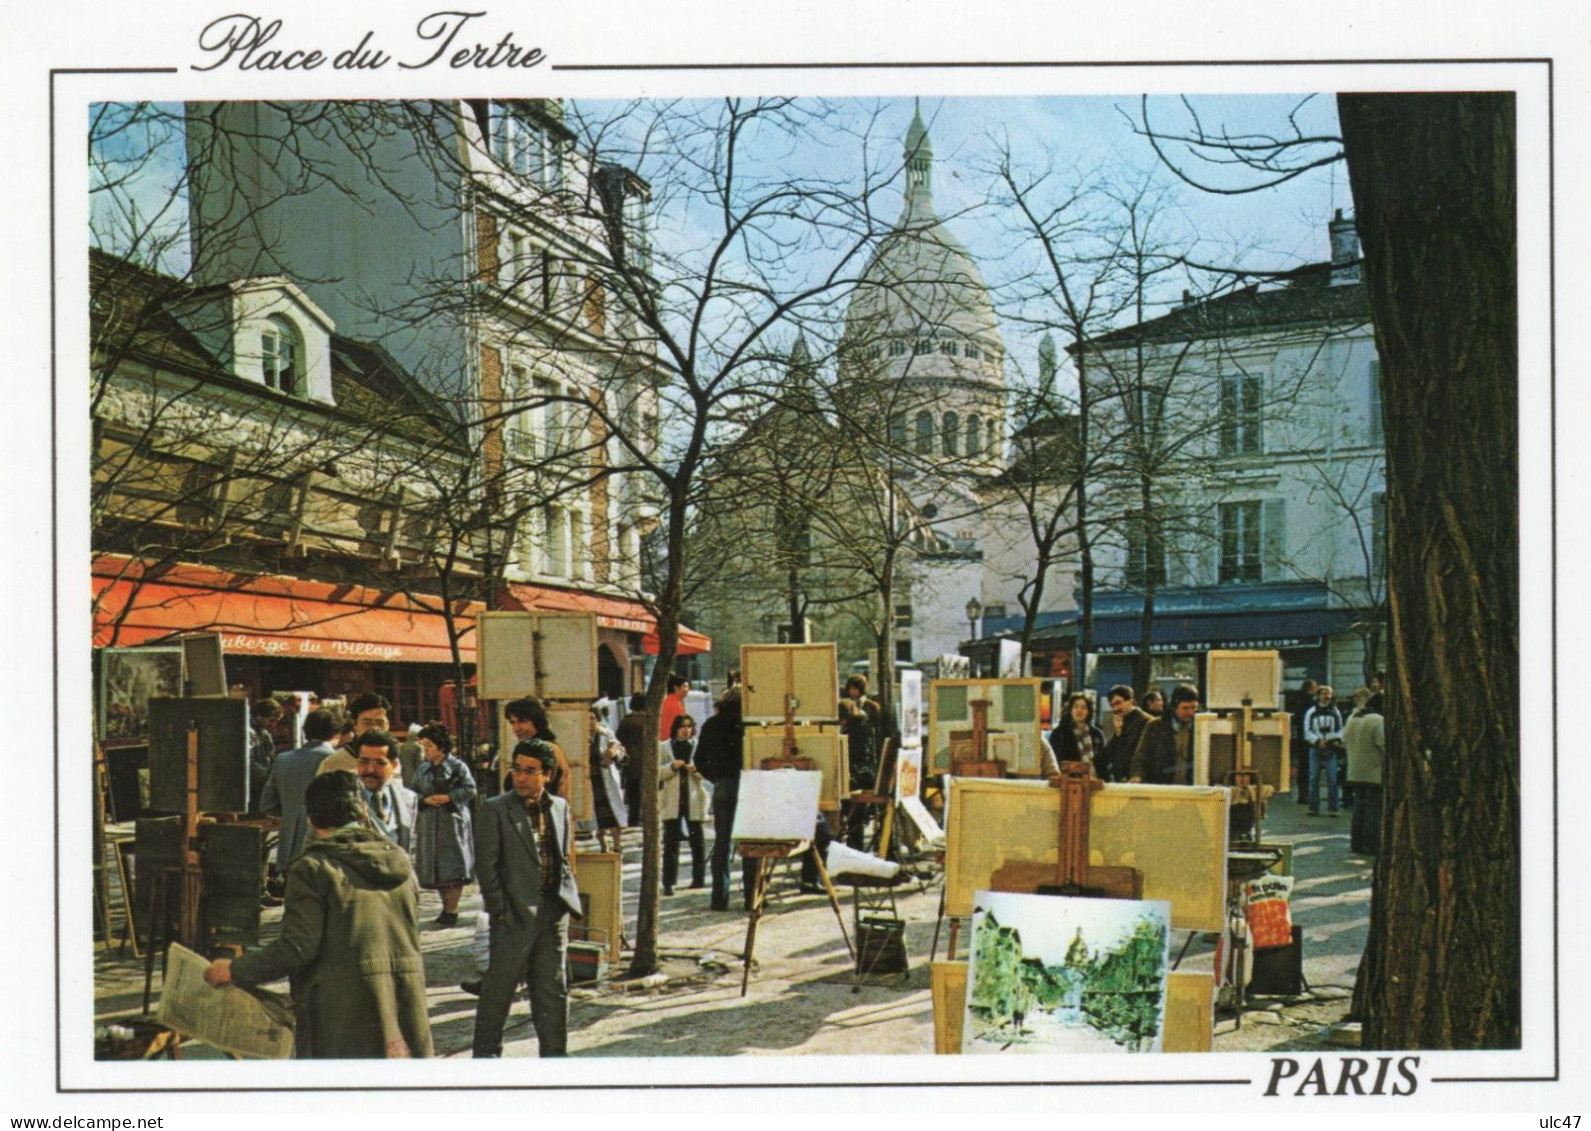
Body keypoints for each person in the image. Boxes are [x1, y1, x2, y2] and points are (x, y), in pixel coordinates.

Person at [204, 771, 433, 1059]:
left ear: (311, 819)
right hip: (403, 1009)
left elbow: (297, 948)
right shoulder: (401, 863)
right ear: (363, 812)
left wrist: (234, 969)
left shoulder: (313, 868)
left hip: (342, 1017)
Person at [472, 740, 583, 1058]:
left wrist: (566, 899)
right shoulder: (495, 809)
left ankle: (554, 1057)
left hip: (553, 911)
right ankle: (485, 1057)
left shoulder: (559, 807)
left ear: (546, 774)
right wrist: (500, 910)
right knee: (499, 990)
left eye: (529, 771)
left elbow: (561, 858)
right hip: (514, 914)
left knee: (552, 989)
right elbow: (486, 867)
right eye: (517, 769)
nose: (520, 777)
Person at [260, 707, 341, 881]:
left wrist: (289, 813)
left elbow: (267, 803)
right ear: (335, 732)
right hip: (330, 848)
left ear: (305, 732)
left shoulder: (283, 760)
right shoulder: (339, 761)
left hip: (291, 847)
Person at [412, 723, 476, 926]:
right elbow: (412, 792)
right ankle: (445, 907)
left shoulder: (457, 767)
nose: (425, 750)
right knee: (436, 867)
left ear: (441, 746)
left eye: (429, 745)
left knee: (453, 864)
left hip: (452, 822)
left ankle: (452, 909)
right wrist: (424, 800)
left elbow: (470, 789)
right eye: (423, 746)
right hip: (429, 823)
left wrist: (449, 797)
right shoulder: (422, 768)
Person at [695, 688, 751, 911]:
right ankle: (751, 896)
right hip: (748, 785)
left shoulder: (711, 724)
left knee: (722, 843)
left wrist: (715, 777)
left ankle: (719, 897)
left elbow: (700, 759)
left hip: (723, 785)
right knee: (749, 843)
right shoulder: (749, 725)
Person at [659, 714, 708, 894]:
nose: (686, 730)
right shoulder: (664, 747)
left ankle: (698, 878)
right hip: (672, 799)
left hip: (693, 797)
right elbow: (656, 773)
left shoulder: (698, 747)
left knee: (698, 841)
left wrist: (696, 770)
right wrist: (672, 767)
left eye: (689, 727)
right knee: (670, 842)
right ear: (676, 728)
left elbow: (707, 772)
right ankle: (669, 882)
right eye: (682, 726)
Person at [354, 729, 419, 851]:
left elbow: (413, 850)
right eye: (364, 761)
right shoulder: (343, 797)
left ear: (394, 765)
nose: (370, 770)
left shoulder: (408, 799)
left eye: (379, 763)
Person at [1129, 684, 1200, 784]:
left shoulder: (1201, 727)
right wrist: (1137, 776)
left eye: (1193, 707)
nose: (1190, 712)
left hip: (1192, 790)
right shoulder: (1156, 726)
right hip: (1162, 788)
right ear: (1174, 707)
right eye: (1185, 708)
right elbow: (1141, 757)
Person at [504, 697, 572, 800]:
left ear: (537, 721)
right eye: (513, 722)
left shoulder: (542, 750)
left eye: (522, 722)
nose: (516, 728)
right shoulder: (537, 747)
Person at [1344, 691, 1386, 854]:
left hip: (1355, 771)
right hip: (1374, 771)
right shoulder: (1378, 721)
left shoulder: (1353, 719)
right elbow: (1382, 744)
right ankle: (1371, 845)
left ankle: (1357, 843)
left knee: (1358, 809)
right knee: (1373, 810)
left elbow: (1345, 738)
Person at [588, 702, 629, 852]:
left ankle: (617, 844)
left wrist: (614, 754)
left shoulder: (607, 734)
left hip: (606, 778)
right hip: (591, 780)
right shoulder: (580, 737)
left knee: (612, 814)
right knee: (597, 815)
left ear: (598, 719)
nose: (589, 722)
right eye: (586, 719)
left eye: (592, 718)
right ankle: (603, 844)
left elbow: (621, 752)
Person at [320, 693, 393, 774]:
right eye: (367, 723)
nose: (374, 728)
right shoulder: (333, 763)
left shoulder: (396, 760)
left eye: (380, 723)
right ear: (355, 725)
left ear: (387, 725)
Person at [1302, 684, 1346, 817]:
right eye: (1324, 694)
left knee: (1332, 778)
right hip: (1315, 748)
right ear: (1318, 696)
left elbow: (1340, 730)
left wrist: (1331, 740)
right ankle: (1313, 807)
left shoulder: (1335, 711)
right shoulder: (1311, 712)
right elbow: (1307, 730)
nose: (1327, 697)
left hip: (1331, 748)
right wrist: (1316, 741)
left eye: (1329, 694)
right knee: (1313, 778)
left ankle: (1333, 808)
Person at [1098, 685, 1152, 783]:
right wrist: (1117, 733)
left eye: (1118, 703)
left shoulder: (1146, 722)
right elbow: (1109, 753)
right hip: (1121, 779)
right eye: (1112, 705)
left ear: (1130, 700)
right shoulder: (1119, 721)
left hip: (1137, 780)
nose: (1115, 708)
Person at [1045, 692, 1105, 776]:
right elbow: (1054, 760)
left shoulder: (1097, 734)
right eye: (1075, 707)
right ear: (1070, 710)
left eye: (1083, 708)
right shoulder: (1059, 733)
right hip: (1068, 781)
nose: (1079, 710)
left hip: (1093, 780)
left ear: (1088, 711)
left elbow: (1102, 763)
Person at [247, 698, 282, 819]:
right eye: (271, 720)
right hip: (254, 787)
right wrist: (270, 778)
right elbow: (249, 763)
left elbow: (271, 756)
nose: (273, 725)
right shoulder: (248, 732)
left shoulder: (264, 733)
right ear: (259, 716)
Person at [615, 693, 649, 820]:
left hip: (632, 761)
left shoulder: (626, 721)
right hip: (648, 760)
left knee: (633, 793)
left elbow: (619, 740)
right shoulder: (651, 720)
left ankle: (633, 819)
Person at [1290, 679, 1319, 802]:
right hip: (1310, 738)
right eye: (1315, 687)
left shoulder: (1298, 702)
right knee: (1310, 766)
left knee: (1303, 766)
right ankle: (1308, 794)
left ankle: (1303, 793)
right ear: (1310, 690)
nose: (1317, 689)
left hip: (1301, 738)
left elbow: (1295, 720)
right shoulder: (1312, 704)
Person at [658, 674, 689, 743]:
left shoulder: (667, 700)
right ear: (676, 688)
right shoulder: (675, 704)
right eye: (685, 687)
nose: (687, 690)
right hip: (671, 741)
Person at [397, 722, 424, 789]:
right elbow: (420, 763)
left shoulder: (403, 745)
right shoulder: (418, 747)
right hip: (414, 773)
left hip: (404, 772)